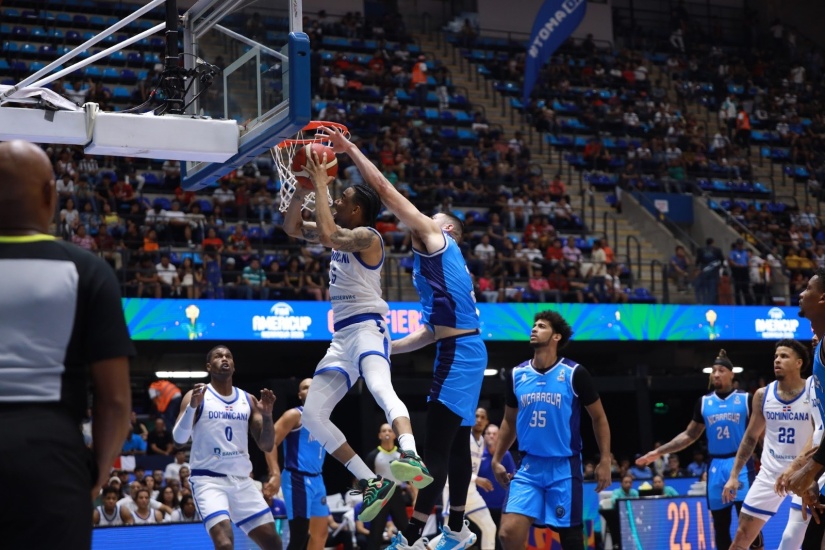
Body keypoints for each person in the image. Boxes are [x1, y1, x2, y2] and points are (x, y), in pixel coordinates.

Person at [319, 125, 487, 550]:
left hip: (460, 353)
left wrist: (351, 149)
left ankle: (417, 535)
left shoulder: (436, 239)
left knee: (436, 448)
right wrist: (385, 346)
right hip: (458, 346)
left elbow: (383, 189)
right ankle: (455, 528)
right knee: (456, 445)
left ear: (447, 230)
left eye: (437, 219)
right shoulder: (435, 259)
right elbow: (431, 332)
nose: (427, 219)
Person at [283, 150, 431, 523]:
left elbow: (331, 235)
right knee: (314, 417)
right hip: (341, 338)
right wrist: (303, 189)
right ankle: (371, 482)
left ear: (358, 211)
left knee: (381, 390)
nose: (336, 200)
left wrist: (320, 181)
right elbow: (292, 228)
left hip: (369, 329)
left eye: (343, 199)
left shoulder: (368, 236)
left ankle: (410, 453)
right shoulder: (341, 229)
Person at [0, 140, 133, 548]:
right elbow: (114, 401)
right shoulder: (87, 271)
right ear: (49, 194)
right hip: (51, 460)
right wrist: (93, 473)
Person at [492, 311, 612, 550]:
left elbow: (599, 418)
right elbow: (508, 421)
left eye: (542, 326)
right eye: (534, 325)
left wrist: (605, 459)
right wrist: (497, 458)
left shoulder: (574, 373)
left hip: (563, 467)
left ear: (556, 336)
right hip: (528, 467)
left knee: (570, 539)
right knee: (507, 533)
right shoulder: (517, 374)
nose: (534, 329)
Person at [636, 349, 753, 549]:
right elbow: (689, 435)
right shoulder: (704, 402)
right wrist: (658, 452)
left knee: (748, 527)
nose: (716, 374)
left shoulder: (746, 399)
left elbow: (760, 433)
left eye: (721, 370)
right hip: (715, 465)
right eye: (714, 370)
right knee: (720, 527)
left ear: (732, 374)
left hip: (740, 464)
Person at [171, 345, 281, 550]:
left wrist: (267, 416)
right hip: (208, 480)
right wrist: (192, 407)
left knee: (273, 542)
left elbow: (266, 445)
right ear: (208, 366)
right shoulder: (197, 395)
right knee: (224, 543)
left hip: (242, 481)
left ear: (234, 366)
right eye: (218, 356)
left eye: (228, 356)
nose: (224, 359)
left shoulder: (248, 400)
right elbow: (178, 441)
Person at [723, 339, 812, 549]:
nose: (777, 360)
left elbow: (818, 434)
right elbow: (751, 437)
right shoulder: (763, 395)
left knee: (791, 539)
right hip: (770, 474)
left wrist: (795, 468)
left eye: (784, 356)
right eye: (776, 356)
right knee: (742, 537)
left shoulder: (813, 389)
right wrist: (734, 475)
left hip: (806, 473)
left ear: (799, 363)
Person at [778, 272, 825, 547]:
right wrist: (811, 471)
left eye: (807, 288)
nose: (800, 293)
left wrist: (809, 470)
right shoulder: (820, 349)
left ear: (822, 298)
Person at [265, 378, 330, 550]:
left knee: (321, 535)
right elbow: (269, 442)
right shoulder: (294, 415)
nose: (310, 389)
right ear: (299, 394)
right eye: (305, 388)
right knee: (300, 534)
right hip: (297, 478)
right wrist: (275, 473)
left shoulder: (324, 420)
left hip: (318, 479)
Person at [431, 408, 498, 550]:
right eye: (476, 416)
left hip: (471, 492)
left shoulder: (482, 442)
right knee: (449, 536)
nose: (479, 419)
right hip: (454, 489)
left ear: (486, 422)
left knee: (490, 527)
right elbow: (452, 464)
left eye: (482, 417)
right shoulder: (463, 438)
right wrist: (476, 479)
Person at [363, 423, 411, 550]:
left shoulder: (402, 455)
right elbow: (366, 480)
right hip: (379, 494)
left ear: (395, 434)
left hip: (396, 493)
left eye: (390, 430)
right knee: (376, 532)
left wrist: (415, 496)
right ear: (380, 435)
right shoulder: (372, 456)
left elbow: (411, 477)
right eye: (384, 431)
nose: (387, 433)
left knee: (405, 530)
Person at [477, 423, 515, 550]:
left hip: (502, 508)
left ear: (499, 436)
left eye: (494, 434)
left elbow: (513, 476)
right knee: (482, 541)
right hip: (481, 508)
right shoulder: (478, 454)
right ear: (484, 436)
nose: (491, 436)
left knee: (500, 542)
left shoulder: (506, 455)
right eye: (488, 433)